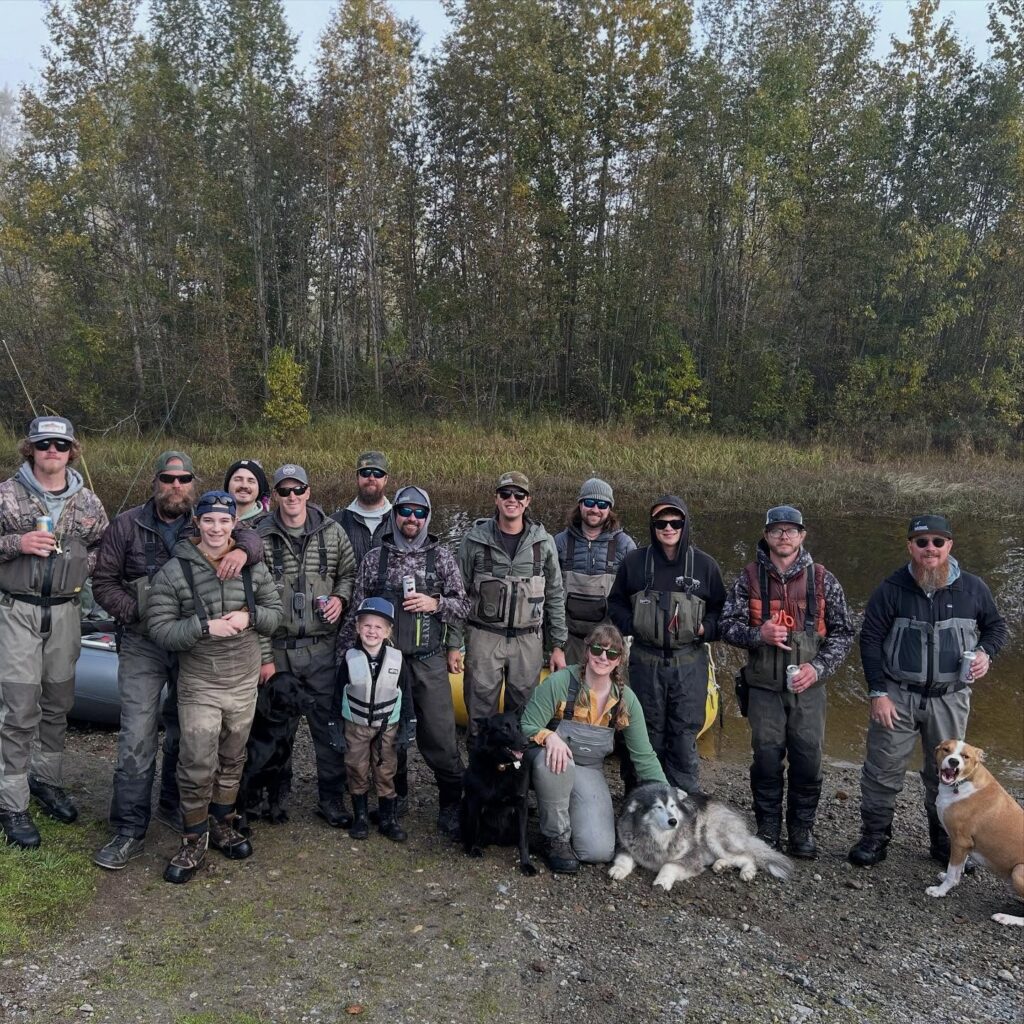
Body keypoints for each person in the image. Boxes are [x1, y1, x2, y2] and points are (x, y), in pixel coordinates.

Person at [92, 451, 266, 870]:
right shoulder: (126, 525)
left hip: (197, 648)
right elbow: (103, 582)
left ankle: (176, 807)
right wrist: (145, 615)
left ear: (193, 483)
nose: (176, 485)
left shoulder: (203, 519)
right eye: (168, 478)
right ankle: (129, 829)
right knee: (137, 734)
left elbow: (251, 537)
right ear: (155, 481)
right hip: (144, 644)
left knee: (187, 733)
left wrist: (244, 551)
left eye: (184, 478)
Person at [848, 514, 1008, 868]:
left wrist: (985, 653)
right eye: (922, 542)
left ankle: (944, 841)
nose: (930, 549)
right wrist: (877, 692)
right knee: (882, 769)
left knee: (949, 773)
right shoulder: (891, 588)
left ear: (949, 545)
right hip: (897, 695)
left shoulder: (973, 588)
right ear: (911, 546)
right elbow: (870, 640)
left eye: (938, 542)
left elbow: (996, 628)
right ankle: (875, 837)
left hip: (951, 697)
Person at [146, 491, 282, 883]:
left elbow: (276, 615)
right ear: (198, 523)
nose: (216, 528)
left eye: (224, 521)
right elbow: (159, 629)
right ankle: (193, 837)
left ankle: (223, 822)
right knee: (196, 760)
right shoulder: (175, 571)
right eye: (209, 520)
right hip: (200, 681)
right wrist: (204, 626)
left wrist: (249, 617)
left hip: (243, 679)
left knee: (233, 756)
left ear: (234, 523)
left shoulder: (252, 566)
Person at [719, 505, 854, 858]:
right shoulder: (747, 578)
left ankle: (801, 829)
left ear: (802, 535)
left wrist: (819, 668)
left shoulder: (823, 579)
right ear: (766, 535)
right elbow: (725, 627)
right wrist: (758, 634)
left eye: (791, 530)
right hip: (763, 688)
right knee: (766, 758)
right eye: (776, 530)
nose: (783, 536)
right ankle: (768, 828)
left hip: (808, 688)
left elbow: (843, 633)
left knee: (808, 760)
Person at [0, 416, 108, 849]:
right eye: (44, 443)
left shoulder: (88, 500)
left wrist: (80, 565)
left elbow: (103, 548)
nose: (52, 451)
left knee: (58, 703)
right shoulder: (6, 494)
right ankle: (11, 801)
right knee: (18, 708)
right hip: (17, 610)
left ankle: (46, 781)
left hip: (65, 613)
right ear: (30, 448)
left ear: (71, 451)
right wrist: (17, 543)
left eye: (60, 445)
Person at [339, 485, 470, 837]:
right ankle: (395, 799)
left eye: (419, 512)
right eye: (405, 511)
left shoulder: (442, 557)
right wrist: (344, 660)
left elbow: (463, 607)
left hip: (429, 660)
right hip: (383, 663)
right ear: (394, 514)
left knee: (440, 735)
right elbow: (355, 614)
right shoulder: (374, 558)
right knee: (387, 734)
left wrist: (435, 603)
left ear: (427, 516)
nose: (412, 518)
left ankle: (451, 804)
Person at [521, 623, 666, 874]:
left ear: (619, 660)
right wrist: (549, 737)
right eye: (598, 649)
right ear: (587, 651)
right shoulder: (559, 682)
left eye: (612, 653)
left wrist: (668, 798)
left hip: (588, 768)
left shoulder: (626, 699)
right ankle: (554, 838)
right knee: (556, 760)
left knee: (597, 851)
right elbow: (525, 726)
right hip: (549, 761)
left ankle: (571, 814)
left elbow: (644, 757)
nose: (603, 657)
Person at [257, 464, 357, 827]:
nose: (292, 496)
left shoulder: (333, 532)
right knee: (276, 729)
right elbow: (251, 597)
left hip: (322, 648)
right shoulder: (259, 535)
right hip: (278, 648)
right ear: (275, 496)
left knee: (328, 727)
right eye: (284, 491)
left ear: (308, 492)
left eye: (298, 489)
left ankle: (331, 798)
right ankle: (276, 797)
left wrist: (340, 599)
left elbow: (350, 573)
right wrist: (264, 657)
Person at [607, 495, 725, 794]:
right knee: (643, 732)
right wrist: (633, 624)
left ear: (685, 524)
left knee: (683, 734)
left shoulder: (705, 565)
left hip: (689, 663)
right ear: (653, 526)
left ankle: (683, 801)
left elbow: (722, 612)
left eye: (675, 522)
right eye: (661, 523)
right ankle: (639, 798)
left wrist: (706, 628)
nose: (668, 528)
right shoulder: (634, 562)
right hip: (644, 662)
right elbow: (615, 603)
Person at [452, 472, 567, 731]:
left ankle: (520, 756)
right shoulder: (474, 539)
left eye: (519, 494)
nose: (512, 499)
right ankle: (479, 754)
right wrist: (453, 644)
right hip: (484, 637)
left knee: (525, 712)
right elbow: (458, 595)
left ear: (527, 501)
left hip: (528, 640)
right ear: (496, 499)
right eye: (505, 494)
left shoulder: (544, 542)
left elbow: (555, 595)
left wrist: (558, 645)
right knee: (480, 710)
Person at [336, 597, 413, 843]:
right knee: (356, 768)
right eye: (367, 625)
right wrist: (334, 726)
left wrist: (408, 725)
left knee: (385, 770)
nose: (372, 631)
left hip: (386, 727)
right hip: (355, 726)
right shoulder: (349, 658)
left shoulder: (397, 660)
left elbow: (406, 694)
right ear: (358, 628)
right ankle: (360, 817)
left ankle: (388, 819)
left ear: (388, 631)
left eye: (379, 627)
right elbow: (338, 693)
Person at [554, 478, 636, 666]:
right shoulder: (560, 542)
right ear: (580, 504)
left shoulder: (624, 545)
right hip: (570, 639)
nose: (595, 509)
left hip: (609, 641)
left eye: (602, 504)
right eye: (590, 502)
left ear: (610, 509)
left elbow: (634, 596)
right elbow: (550, 594)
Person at [331, 451, 392, 566]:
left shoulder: (399, 521)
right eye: (365, 472)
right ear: (357, 477)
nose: (371, 478)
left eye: (378, 473)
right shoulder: (335, 523)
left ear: (386, 479)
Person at [224, 459, 271, 525]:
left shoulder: (270, 524)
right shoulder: (212, 518)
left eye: (251, 481)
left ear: (259, 488)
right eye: (238, 479)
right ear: (228, 484)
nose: (244, 485)